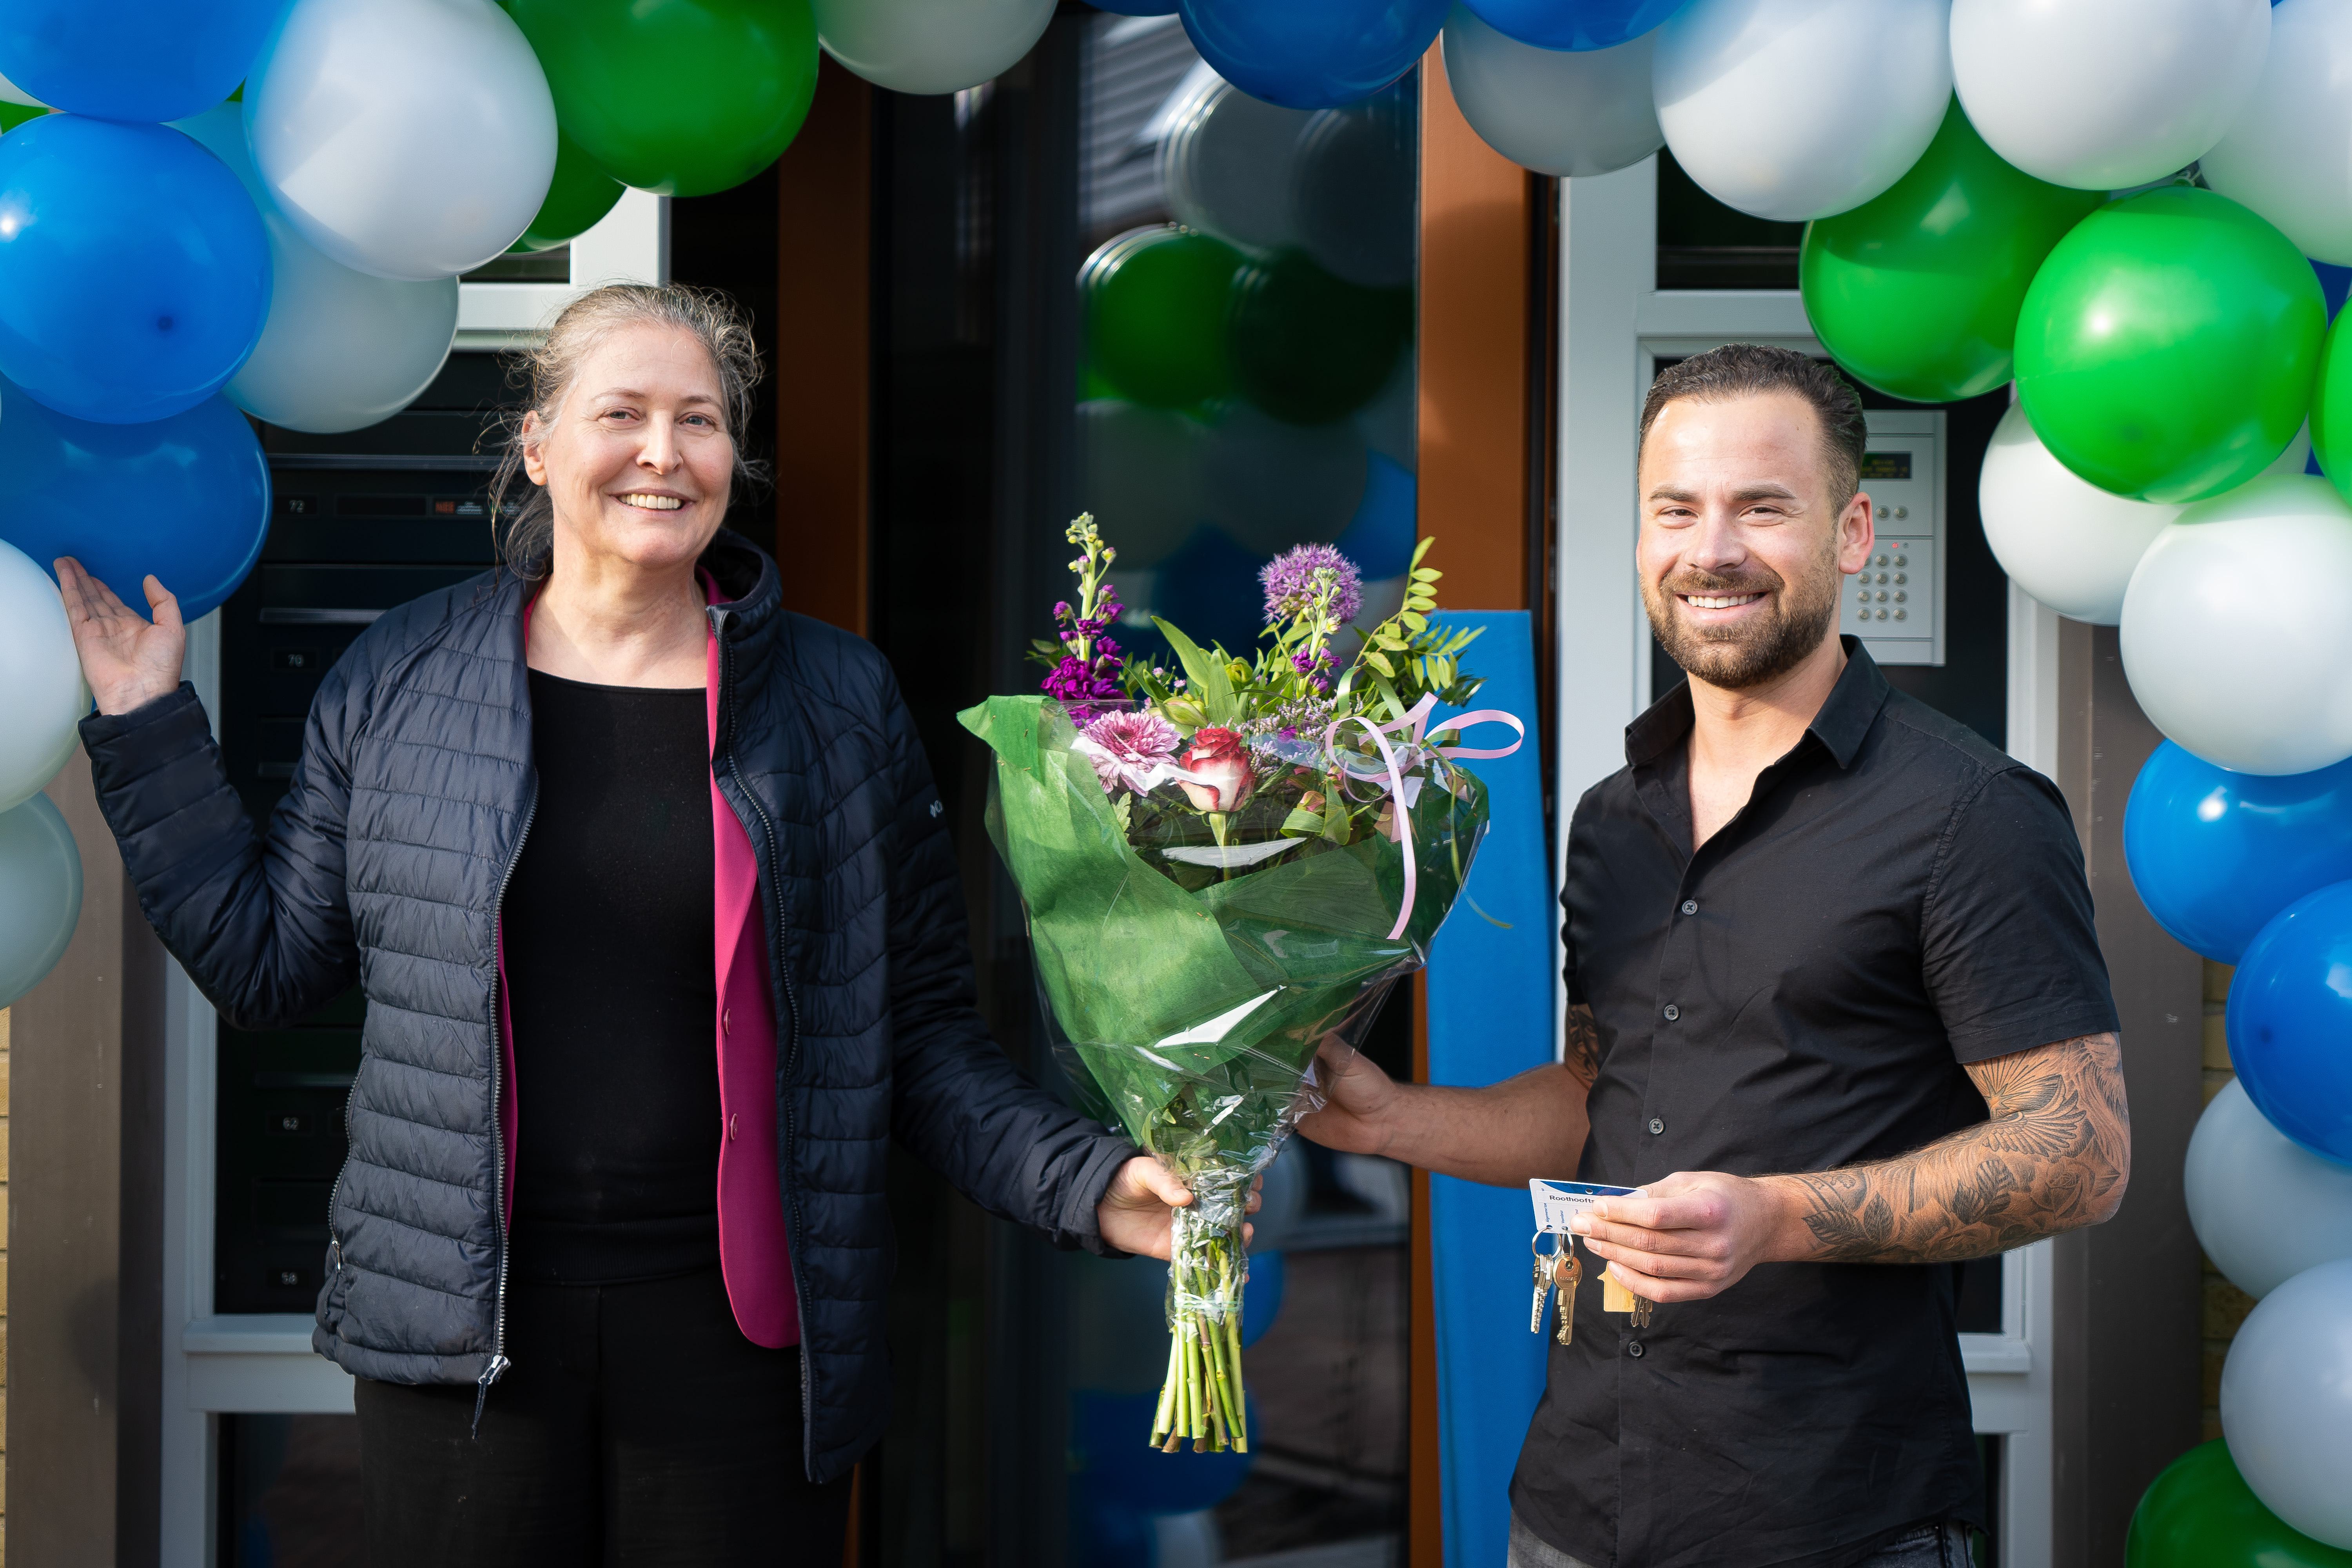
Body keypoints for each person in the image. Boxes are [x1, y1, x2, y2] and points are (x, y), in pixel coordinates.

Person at [56, 283, 1220, 1566]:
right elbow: (268, 967)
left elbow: (922, 1033)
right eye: (625, 414)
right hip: (461, 1341)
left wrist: (1088, 1179)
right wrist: (147, 728)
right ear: (539, 446)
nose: (665, 453)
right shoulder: (397, 677)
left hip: (739, 1344)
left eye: (702, 421)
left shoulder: (838, 700)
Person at [1299, 345, 2129, 1568]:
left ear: (1852, 532)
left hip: (1829, 1514)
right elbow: (1597, 1096)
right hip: (1580, 1500)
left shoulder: (1973, 814)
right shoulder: (1610, 817)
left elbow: (2081, 1152)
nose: (1713, 549)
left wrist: (1775, 1216)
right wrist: (1392, 1125)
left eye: (1763, 507)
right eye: (1677, 509)